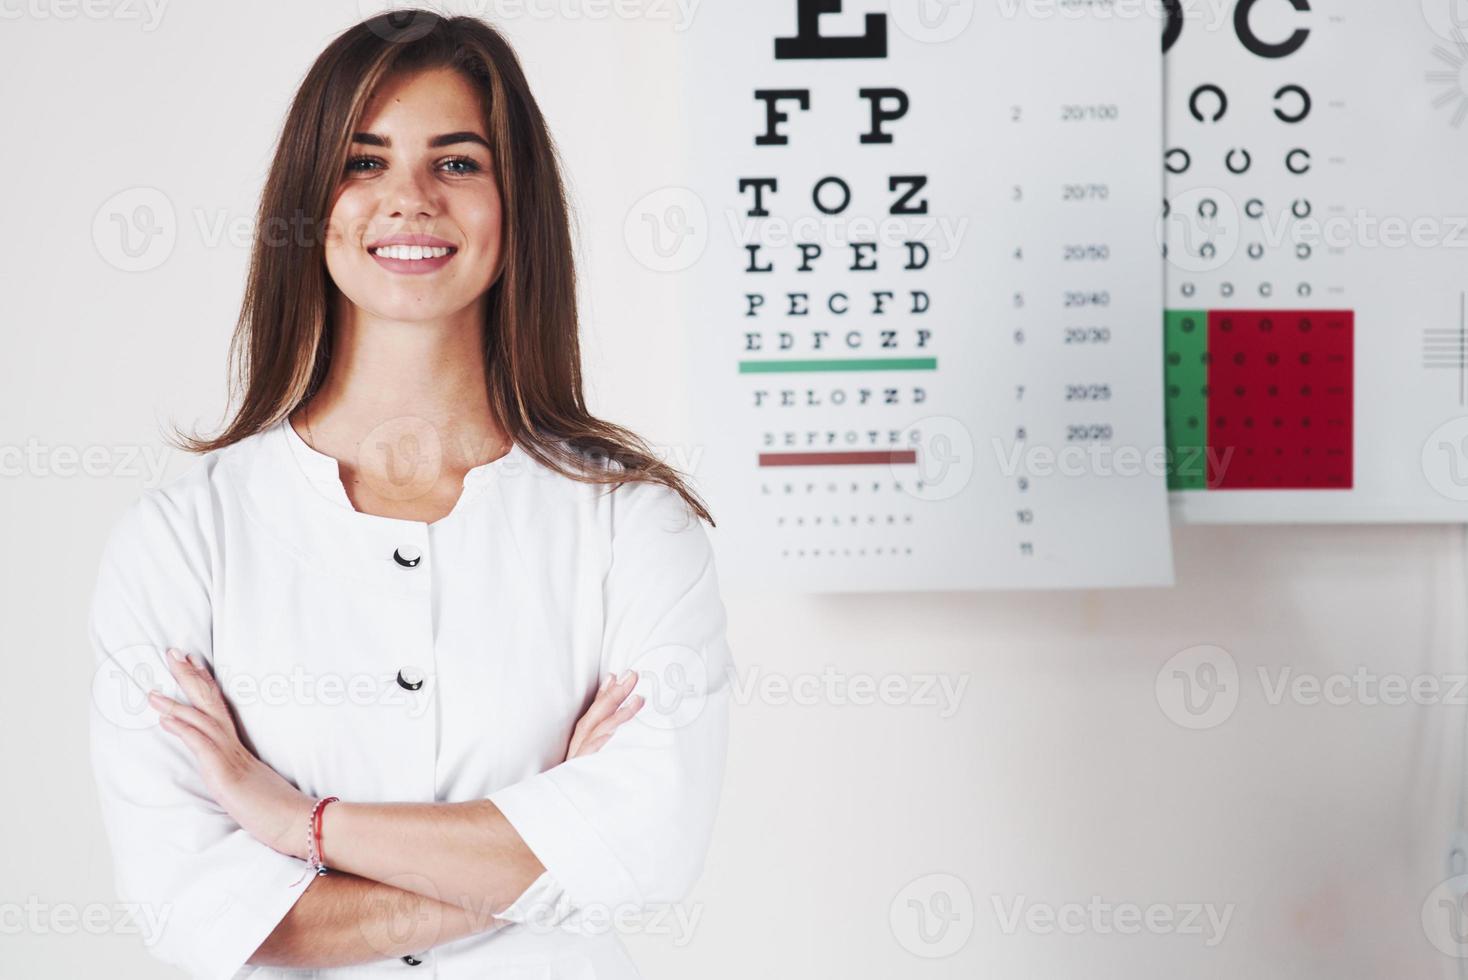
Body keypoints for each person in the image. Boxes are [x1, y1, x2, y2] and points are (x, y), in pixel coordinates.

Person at [85, 10, 732, 978]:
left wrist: (297, 824)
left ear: (517, 207)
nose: (410, 198)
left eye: (458, 162)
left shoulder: (632, 526)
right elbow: (208, 916)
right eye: (364, 161)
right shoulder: (182, 542)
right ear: (313, 201)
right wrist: (542, 832)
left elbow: (647, 848)